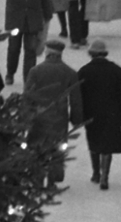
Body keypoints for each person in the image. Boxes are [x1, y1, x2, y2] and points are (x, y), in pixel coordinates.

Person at [23, 36, 83, 185]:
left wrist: (24, 116)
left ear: (47, 53)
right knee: (58, 147)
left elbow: (27, 96)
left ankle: (37, 178)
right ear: (60, 54)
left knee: (37, 146)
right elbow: (76, 100)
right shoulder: (70, 72)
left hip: (39, 117)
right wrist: (76, 119)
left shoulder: (35, 71)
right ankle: (53, 179)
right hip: (59, 117)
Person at [77, 38, 121, 190]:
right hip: (112, 113)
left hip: (91, 113)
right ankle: (104, 177)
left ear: (91, 53)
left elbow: (79, 96)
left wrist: (78, 115)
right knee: (108, 145)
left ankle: (95, 172)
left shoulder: (84, 71)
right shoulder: (116, 70)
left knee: (94, 141)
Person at [1, 0, 52, 87]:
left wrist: (47, 13)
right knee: (13, 48)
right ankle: (10, 73)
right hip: (15, 19)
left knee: (30, 50)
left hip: (32, 18)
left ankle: (28, 80)